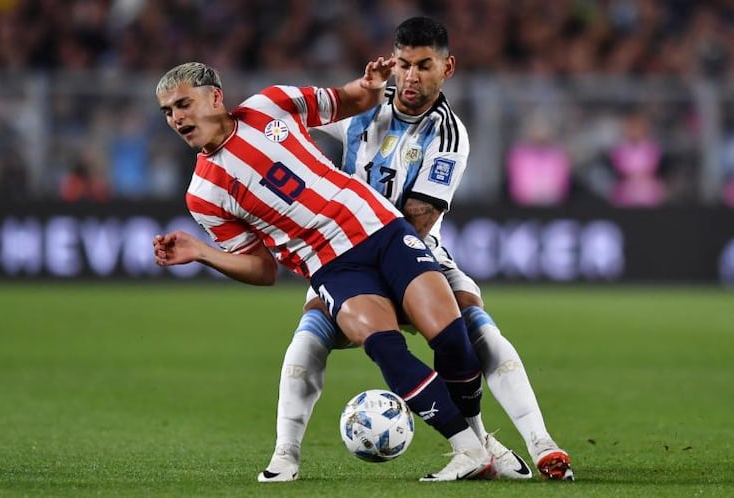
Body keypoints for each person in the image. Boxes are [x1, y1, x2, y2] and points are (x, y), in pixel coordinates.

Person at [258, 17, 574, 483]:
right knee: (308, 338)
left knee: (474, 322)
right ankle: (285, 455)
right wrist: (265, 138)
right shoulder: (365, 106)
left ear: (447, 67)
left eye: (424, 66)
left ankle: (537, 443)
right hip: (345, 256)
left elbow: (419, 219)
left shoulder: (448, 134)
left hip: (415, 250)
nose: (411, 76)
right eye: (403, 64)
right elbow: (295, 115)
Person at [153, 59, 498, 482]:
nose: (176, 118)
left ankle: (484, 443)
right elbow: (262, 270)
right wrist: (203, 253)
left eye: (183, 104)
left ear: (216, 97)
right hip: (333, 266)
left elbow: (350, 99)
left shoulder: (271, 104)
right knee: (386, 347)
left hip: (380, 226)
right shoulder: (203, 195)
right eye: (168, 112)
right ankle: (468, 450)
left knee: (451, 336)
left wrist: (370, 87)